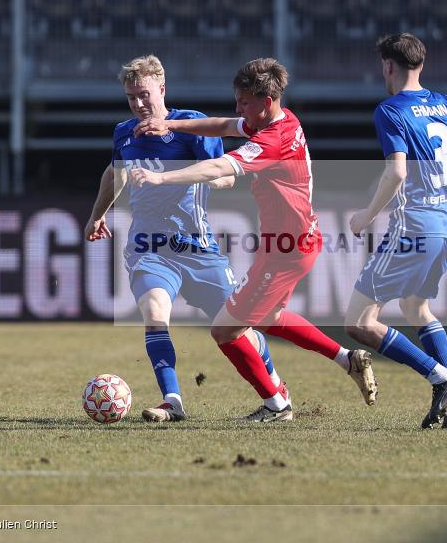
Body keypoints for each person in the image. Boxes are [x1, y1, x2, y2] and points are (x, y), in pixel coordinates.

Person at [131, 58, 378, 422]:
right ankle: (346, 358)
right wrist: (170, 124)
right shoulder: (283, 119)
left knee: (226, 329)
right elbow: (225, 126)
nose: (238, 109)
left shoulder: (272, 140)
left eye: (244, 102)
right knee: (270, 317)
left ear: (266, 100)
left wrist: (161, 179)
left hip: (286, 250)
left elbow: (220, 166)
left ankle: (277, 405)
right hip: (292, 242)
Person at [84, 54, 282, 423]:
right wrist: (98, 215)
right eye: (131, 98)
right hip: (150, 249)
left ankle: (275, 390)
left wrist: (174, 176)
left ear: (162, 88)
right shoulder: (124, 132)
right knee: (155, 313)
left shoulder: (191, 124)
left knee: (238, 329)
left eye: (144, 94)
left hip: (199, 249)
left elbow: (224, 177)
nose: (139, 103)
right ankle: (172, 400)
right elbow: (115, 175)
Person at [345, 33, 447, 429]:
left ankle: (443, 379)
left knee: (359, 322)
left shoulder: (390, 110)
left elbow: (397, 171)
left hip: (412, 228)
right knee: (416, 308)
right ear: (422, 64)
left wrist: (366, 217)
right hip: (445, 228)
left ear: (388, 66)